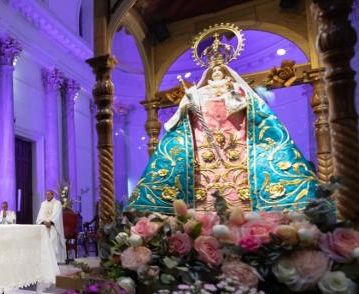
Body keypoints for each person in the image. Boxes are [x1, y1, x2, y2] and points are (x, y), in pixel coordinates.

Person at [127, 34, 317, 214]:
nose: (217, 73)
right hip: (203, 140)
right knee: (202, 176)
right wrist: (189, 102)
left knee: (239, 174)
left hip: (235, 136)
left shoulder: (235, 88)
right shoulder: (198, 93)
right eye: (213, 71)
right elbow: (183, 111)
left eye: (220, 70)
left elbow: (245, 103)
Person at [36, 190, 66, 263]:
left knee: (54, 239)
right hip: (44, 226)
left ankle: (56, 260)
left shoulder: (57, 203)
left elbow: (57, 215)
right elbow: (40, 215)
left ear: (52, 195)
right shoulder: (43, 203)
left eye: (49, 194)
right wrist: (43, 222)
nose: (47, 196)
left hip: (53, 226)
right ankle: (46, 260)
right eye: (46, 195)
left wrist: (51, 222)